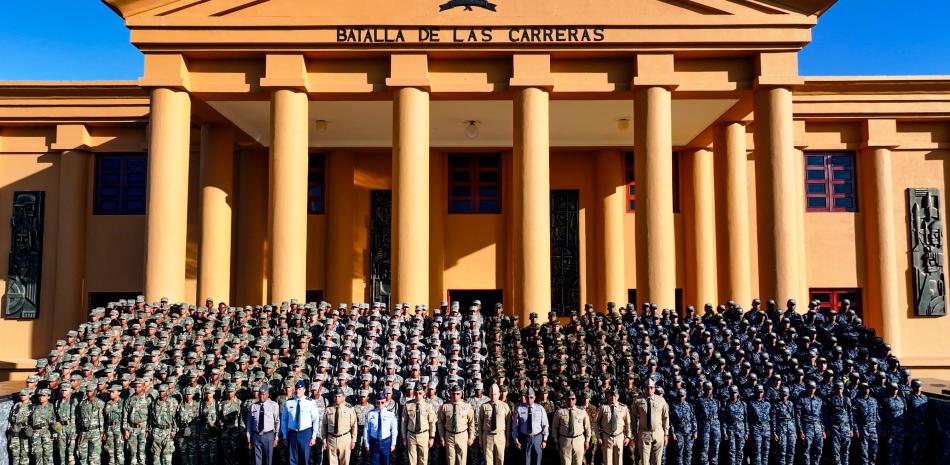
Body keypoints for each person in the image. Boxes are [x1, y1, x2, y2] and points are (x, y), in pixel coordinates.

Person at [282, 379, 322, 465]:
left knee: (305, 459)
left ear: (304, 390)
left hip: (305, 433)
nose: (298, 391)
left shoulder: (310, 402)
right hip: (292, 433)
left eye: (300, 389)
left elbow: (315, 420)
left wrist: (314, 436)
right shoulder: (289, 403)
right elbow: (284, 420)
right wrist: (285, 436)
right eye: (296, 389)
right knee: (292, 460)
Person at [631, 381, 669, 465]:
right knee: (644, 461)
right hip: (644, 433)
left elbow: (665, 418)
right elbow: (633, 417)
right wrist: (635, 433)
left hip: (658, 433)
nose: (649, 389)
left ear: (654, 388)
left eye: (651, 387)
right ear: (644, 388)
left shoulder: (661, 400)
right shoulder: (638, 400)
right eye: (647, 387)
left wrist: (666, 434)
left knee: (657, 461)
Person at [439, 385, 476, 465]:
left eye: (457, 394)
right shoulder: (445, 407)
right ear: (450, 394)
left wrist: (471, 437)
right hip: (449, 435)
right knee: (450, 460)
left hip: (462, 435)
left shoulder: (467, 406)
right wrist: (442, 438)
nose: (455, 396)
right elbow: (440, 423)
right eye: (453, 394)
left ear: (461, 394)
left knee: (462, 460)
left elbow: (471, 422)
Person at [513, 387, 549, 465]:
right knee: (526, 460)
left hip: (537, 437)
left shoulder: (540, 408)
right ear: (525, 397)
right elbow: (515, 426)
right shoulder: (519, 409)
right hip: (524, 438)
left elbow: (545, 425)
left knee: (537, 459)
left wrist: (545, 440)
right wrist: (516, 440)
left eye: (531, 397)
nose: (529, 399)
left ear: (535, 398)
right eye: (527, 397)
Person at [402, 384, 436, 465]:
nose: (418, 395)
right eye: (416, 393)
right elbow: (404, 422)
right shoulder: (408, 405)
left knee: (423, 459)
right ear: (413, 393)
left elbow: (432, 423)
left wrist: (432, 437)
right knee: (412, 460)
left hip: (423, 435)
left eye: (420, 393)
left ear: (424, 393)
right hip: (411, 435)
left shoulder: (428, 406)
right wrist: (404, 437)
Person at [553, 391, 590, 465]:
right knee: (565, 463)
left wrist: (587, 440)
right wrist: (556, 440)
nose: (570, 401)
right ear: (565, 400)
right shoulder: (560, 411)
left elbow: (588, 427)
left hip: (579, 440)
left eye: (573, 399)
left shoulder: (582, 411)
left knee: (578, 462)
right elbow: (554, 427)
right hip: (565, 441)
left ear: (575, 400)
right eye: (568, 399)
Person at [248, 384, 281, 465]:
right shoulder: (253, 406)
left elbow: (277, 422)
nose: (261, 396)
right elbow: (249, 424)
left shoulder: (274, 405)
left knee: (268, 460)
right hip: (256, 436)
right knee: (257, 461)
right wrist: (249, 439)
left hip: (268, 436)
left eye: (263, 394)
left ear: (268, 394)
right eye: (260, 394)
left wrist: (276, 437)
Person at [596, 390, 630, 465]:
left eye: (615, 395)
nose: (613, 398)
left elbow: (628, 423)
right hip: (607, 437)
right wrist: (598, 437)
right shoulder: (603, 407)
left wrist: (628, 437)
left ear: (618, 396)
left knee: (619, 461)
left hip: (619, 436)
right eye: (611, 395)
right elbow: (596, 423)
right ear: (608, 396)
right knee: (607, 461)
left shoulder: (624, 408)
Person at [324, 389, 358, 465]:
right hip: (331, 439)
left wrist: (353, 440)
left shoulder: (349, 408)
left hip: (345, 439)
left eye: (339, 396)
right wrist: (324, 439)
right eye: (335, 396)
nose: (337, 398)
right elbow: (324, 425)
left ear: (343, 397)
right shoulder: (329, 408)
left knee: (345, 462)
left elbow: (354, 425)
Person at [479, 383, 511, 465]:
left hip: (500, 436)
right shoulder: (484, 406)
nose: (493, 396)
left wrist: (507, 439)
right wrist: (480, 439)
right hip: (487, 436)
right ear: (489, 394)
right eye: (491, 394)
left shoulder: (505, 406)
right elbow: (480, 423)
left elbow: (508, 424)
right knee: (488, 460)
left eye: (495, 394)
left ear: (499, 394)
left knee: (500, 459)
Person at [365, 393, 398, 465]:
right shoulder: (370, 414)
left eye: (382, 402)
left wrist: (393, 444)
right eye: (378, 402)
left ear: (386, 402)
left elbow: (394, 430)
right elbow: (367, 430)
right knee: (374, 462)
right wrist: (367, 444)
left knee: (385, 462)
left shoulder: (391, 414)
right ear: (375, 403)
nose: (380, 404)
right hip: (374, 442)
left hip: (386, 442)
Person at [694, 383, 720, 465]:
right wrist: (697, 430)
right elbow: (696, 415)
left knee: (715, 447)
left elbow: (720, 414)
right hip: (704, 425)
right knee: (704, 449)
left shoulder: (716, 400)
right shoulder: (699, 401)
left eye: (710, 389)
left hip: (715, 425)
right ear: (704, 389)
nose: (709, 391)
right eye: (707, 389)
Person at [668, 389, 695, 465]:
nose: (681, 398)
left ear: (685, 396)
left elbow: (693, 419)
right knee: (679, 453)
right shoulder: (673, 406)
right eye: (679, 396)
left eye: (682, 396)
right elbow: (671, 422)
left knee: (688, 452)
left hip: (688, 432)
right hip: (678, 432)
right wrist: (672, 433)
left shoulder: (689, 405)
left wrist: (695, 431)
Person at [770, 387, 796, 465]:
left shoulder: (790, 403)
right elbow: (773, 419)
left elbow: (793, 417)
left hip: (791, 428)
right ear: (780, 394)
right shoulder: (775, 404)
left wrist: (795, 431)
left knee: (791, 450)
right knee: (782, 450)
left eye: (786, 395)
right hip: (781, 428)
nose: (784, 397)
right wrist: (774, 433)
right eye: (783, 395)